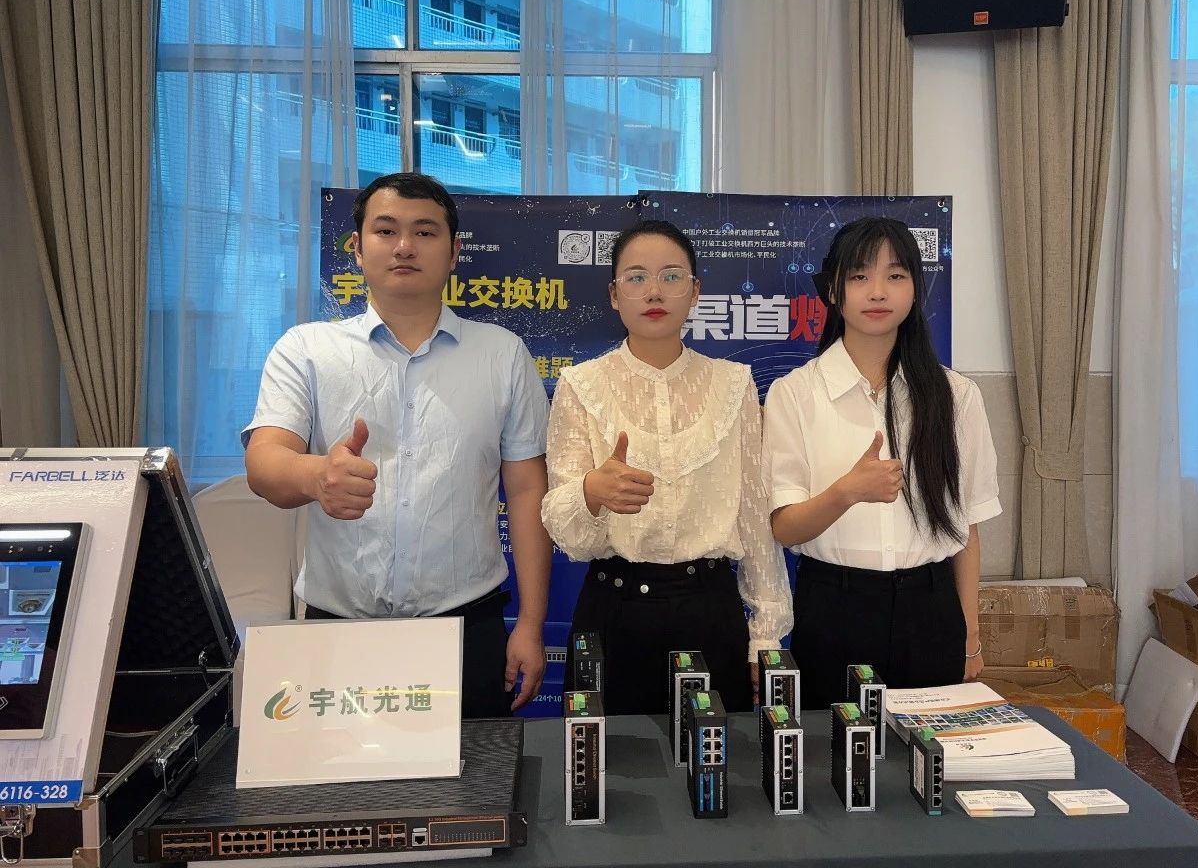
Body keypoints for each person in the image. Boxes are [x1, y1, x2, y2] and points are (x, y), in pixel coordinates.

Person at [242, 172, 553, 717]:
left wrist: (530, 624)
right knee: (340, 775)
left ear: (454, 253)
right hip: (337, 632)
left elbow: (528, 492)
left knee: (471, 773)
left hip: (468, 628)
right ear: (356, 249)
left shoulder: (502, 354)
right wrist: (316, 476)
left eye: (425, 232)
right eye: (386, 231)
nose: (405, 246)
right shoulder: (307, 349)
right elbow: (264, 463)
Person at [541, 219, 792, 714]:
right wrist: (590, 492)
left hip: (710, 608)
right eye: (636, 278)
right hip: (614, 610)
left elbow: (754, 516)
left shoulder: (734, 385)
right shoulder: (580, 385)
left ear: (695, 291)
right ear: (614, 295)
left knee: (716, 757)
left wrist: (765, 637)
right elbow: (566, 531)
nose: (654, 292)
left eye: (671, 277)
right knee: (610, 756)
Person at [764, 217, 1000, 706]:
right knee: (836, 748)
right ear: (833, 290)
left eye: (895, 275)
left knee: (926, 750)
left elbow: (967, 527)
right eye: (859, 276)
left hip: (930, 612)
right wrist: (846, 491)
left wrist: (971, 636)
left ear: (915, 289)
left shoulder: (956, 396)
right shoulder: (795, 394)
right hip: (834, 609)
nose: (877, 291)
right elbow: (783, 529)